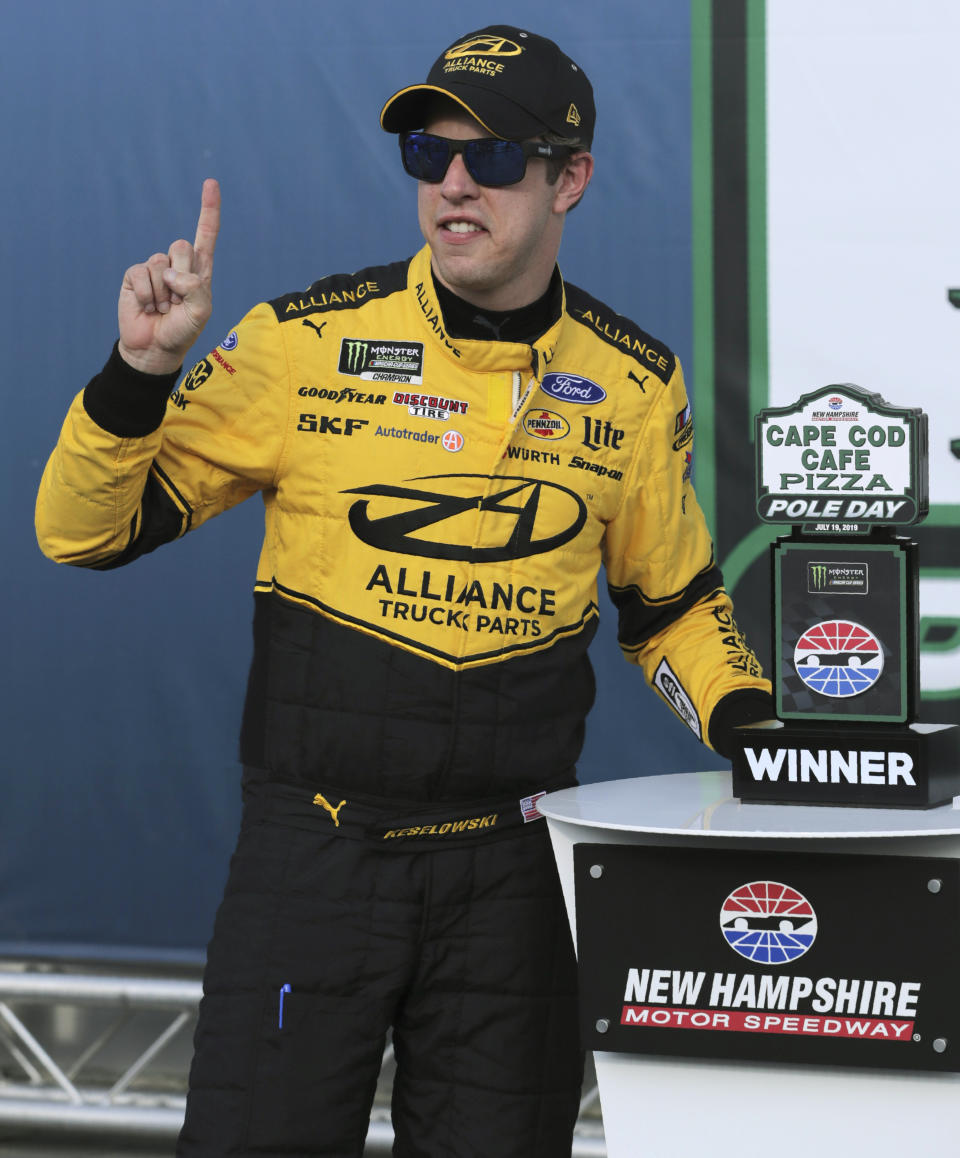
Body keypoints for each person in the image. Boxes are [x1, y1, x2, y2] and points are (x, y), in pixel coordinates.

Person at [35, 23, 773, 1158]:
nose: (455, 185)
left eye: (495, 158)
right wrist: (139, 374)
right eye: (429, 158)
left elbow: (671, 609)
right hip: (314, 859)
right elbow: (82, 535)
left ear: (570, 177)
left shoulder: (634, 384)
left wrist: (752, 727)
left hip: (515, 876)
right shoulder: (303, 344)